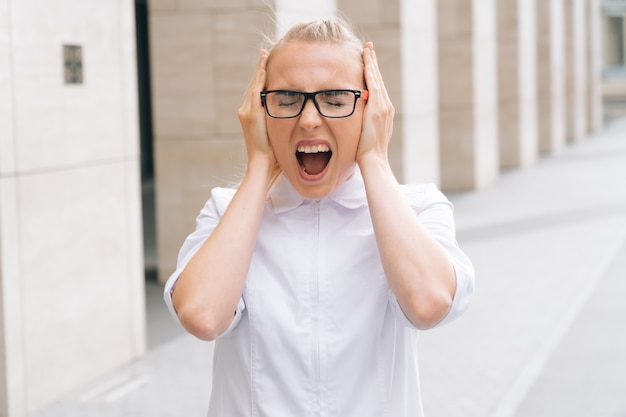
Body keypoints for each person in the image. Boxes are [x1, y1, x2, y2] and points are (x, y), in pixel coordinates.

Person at [164, 17, 474, 417]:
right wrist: (260, 163)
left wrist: (374, 159)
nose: (309, 119)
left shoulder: (416, 208)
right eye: (287, 99)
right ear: (259, 111)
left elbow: (428, 303)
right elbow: (202, 316)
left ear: (369, 107)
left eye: (335, 99)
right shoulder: (227, 212)